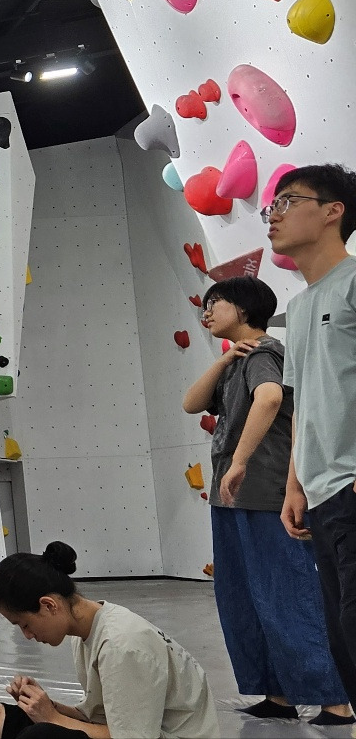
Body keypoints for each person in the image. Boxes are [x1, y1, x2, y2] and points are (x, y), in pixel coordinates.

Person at [181, 275, 352, 724]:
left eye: (217, 303)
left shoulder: (264, 354)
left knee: (288, 595)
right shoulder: (239, 359)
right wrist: (223, 360)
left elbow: (271, 397)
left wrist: (239, 460)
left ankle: (334, 699)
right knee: (245, 598)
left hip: (264, 494)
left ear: (244, 310)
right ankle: (278, 694)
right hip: (233, 500)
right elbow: (191, 403)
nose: (207, 311)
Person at [0, 542, 219, 739]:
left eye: (25, 625)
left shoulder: (121, 645)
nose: (27, 636)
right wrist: (43, 705)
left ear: (49, 605)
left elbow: (132, 737)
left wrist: (52, 718)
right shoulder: (86, 631)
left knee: (40, 736)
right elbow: (98, 718)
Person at [270, 164, 356, 707]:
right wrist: (294, 486)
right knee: (342, 635)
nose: (273, 215)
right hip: (322, 493)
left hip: (351, 483)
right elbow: (301, 404)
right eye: (271, 206)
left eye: (287, 201)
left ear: (332, 211)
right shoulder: (298, 307)